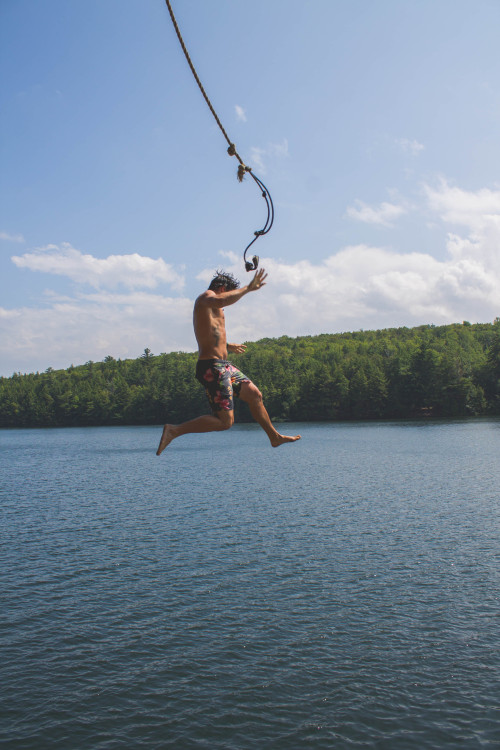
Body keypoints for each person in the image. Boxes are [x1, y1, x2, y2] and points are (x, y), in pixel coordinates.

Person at [156, 268, 301, 454]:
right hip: (211, 367)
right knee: (225, 422)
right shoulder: (206, 298)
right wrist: (248, 288)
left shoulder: (213, 307)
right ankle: (174, 430)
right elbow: (222, 300)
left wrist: (227, 345)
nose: (227, 303)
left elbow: (212, 332)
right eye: (229, 293)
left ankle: (274, 437)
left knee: (255, 395)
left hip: (224, 366)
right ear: (223, 288)